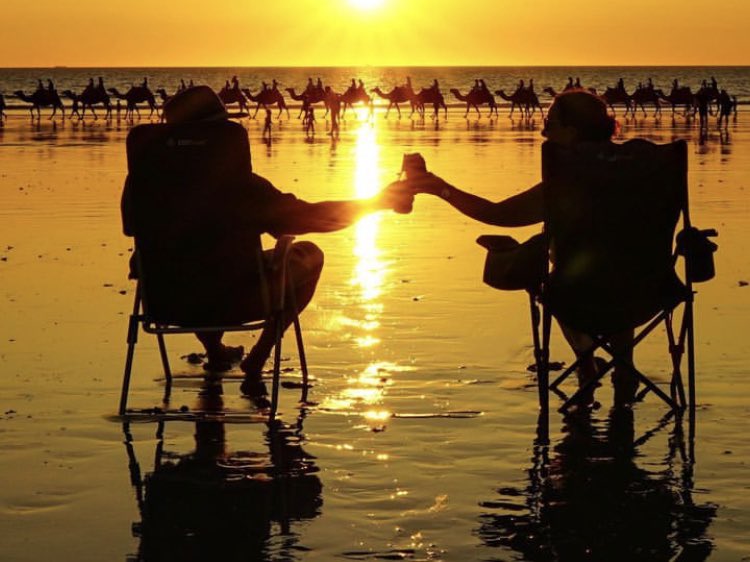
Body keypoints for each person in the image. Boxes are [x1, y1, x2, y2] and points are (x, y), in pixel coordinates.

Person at [121, 85, 412, 398]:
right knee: (308, 254)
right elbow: (308, 218)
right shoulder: (241, 187)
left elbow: (131, 229)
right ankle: (260, 353)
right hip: (239, 300)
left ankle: (216, 351)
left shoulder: (141, 185)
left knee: (190, 260)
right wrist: (376, 202)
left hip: (167, 302)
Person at [404, 89, 639, 404]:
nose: (543, 132)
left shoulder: (568, 179)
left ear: (572, 131)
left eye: (551, 124)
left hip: (579, 291)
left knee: (558, 279)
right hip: (652, 287)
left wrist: (440, 188)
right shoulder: (645, 169)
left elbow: (498, 214)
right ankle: (624, 367)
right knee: (625, 266)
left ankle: (586, 364)